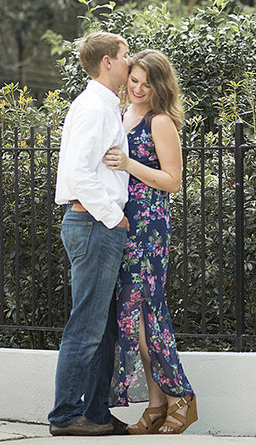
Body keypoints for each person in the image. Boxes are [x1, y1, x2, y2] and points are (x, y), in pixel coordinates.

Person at [102, 49, 198, 435]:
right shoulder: (120, 116)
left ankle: (180, 398)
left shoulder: (160, 122)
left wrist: (128, 165)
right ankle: (157, 404)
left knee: (146, 313)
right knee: (131, 316)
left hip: (150, 226)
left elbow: (173, 181)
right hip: (123, 223)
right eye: (134, 80)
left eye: (147, 82)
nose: (138, 88)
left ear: (160, 86)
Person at [48, 32, 134, 437]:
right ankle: (65, 416)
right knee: (86, 325)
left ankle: (97, 413)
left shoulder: (103, 106)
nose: (129, 62)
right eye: (125, 55)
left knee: (104, 326)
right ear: (107, 62)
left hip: (96, 224)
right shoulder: (95, 109)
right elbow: (79, 173)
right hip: (94, 224)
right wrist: (113, 215)